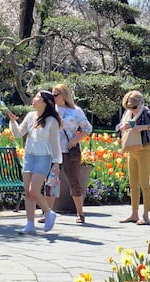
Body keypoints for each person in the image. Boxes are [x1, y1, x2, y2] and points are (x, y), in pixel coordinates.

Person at [7, 91, 62, 234]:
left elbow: (55, 144)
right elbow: (18, 133)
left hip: (44, 157)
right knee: (28, 193)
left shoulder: (52, 121)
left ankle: (48, 212)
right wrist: (12, 121)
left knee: (34, 191)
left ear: (45, 103)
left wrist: (57, 163)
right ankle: (30, 224)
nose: (34, 99)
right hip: (29, 156)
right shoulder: (30, 116)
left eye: (38, 98)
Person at [116, 90, 150, 225]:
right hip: (133, 148)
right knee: (133, 183)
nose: (132, 110)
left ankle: (146, 215)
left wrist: (144, 127)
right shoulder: (128, 114)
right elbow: (119, 127)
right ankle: (134, 213)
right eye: (129, 107)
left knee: (144, 182)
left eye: (134, 107)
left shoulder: (147, 112)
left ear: (140, 103)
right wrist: (123, 127)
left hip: (146, 147)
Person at [53, 83, 93, 223]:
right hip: (53, 150)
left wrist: (76, 139)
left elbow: (87, 128)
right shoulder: (51, 110)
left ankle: (80, 213)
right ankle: (47, 212)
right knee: (51, 181)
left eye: (56, 94)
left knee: (74, 181)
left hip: (70, 151)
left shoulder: (75, 111)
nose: (53, 97)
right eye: (52, 95)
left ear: (64, 95)